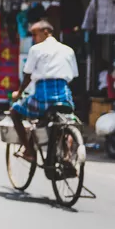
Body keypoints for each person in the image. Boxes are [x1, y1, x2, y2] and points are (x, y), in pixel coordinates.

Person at [9, 20, 78, 163]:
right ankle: (67, 155)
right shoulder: (68, 50)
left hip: (43, 96)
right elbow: (73, 76)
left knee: (14, 112)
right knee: (68, 121)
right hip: (64, 95)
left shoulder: (36, 49)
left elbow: (27, 75)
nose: (33, 38)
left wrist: (19, 93)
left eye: (35, 34)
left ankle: (29, 151)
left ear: (45, 32)